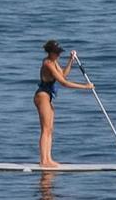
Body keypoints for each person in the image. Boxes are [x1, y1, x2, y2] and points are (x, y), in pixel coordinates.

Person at [34, 40, 92, 168]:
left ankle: (48, 159)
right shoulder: (47, 63)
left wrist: (71, 60)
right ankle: (43, 161)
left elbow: (63, 75)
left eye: (59, 53)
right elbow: (63, 83)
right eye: (57, 53)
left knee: (50, 129)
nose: (59, 55)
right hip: (42, 96)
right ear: (50, 52)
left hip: (48, 97)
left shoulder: (54, 62)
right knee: (45, 129)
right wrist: (85, 87)